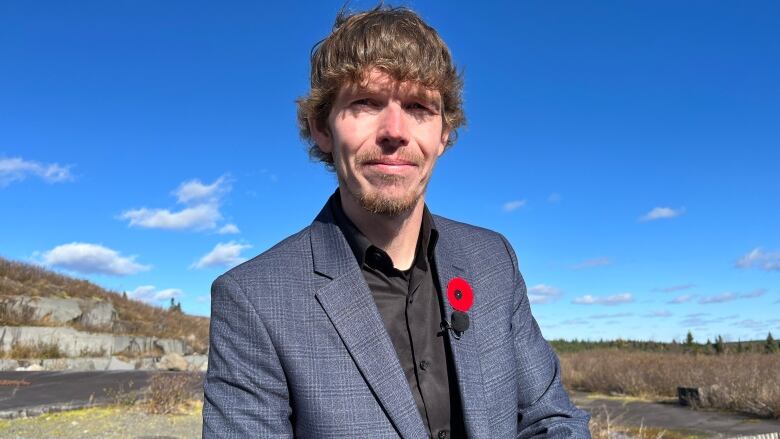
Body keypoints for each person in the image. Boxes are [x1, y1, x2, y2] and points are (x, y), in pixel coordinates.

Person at [203, 5, 590, 438]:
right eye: (366, 102)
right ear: (322, 128)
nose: (395, 130)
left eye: (419, 106)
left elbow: (552, 418)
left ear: (443, 133)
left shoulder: (493, 260)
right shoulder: (254, 299)